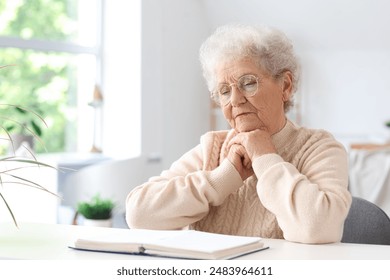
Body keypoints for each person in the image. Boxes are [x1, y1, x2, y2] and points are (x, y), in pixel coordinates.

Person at [126, 24, 351, 244]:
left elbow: (319, 229)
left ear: (285, 86)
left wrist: (265, 158)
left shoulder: (320, 148)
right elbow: (138, 213)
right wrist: (220, 180)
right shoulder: (213, 147)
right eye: (224, 91)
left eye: (248, 83)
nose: (235, 100)